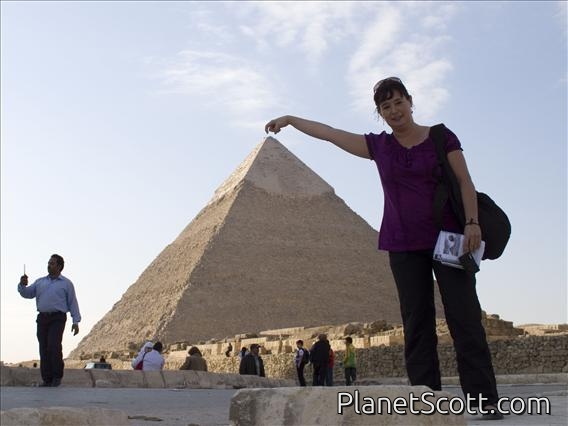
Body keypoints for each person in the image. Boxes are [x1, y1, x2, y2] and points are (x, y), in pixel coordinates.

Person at [265, 77, 503, 420]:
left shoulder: (441, 136)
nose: (394, 111)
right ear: (380, 113)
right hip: (403, 245)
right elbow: (330, 133)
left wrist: (472, 223)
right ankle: (426, 402)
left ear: (410, 101)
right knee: (416, 324)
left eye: (398, 102)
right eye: (385, 107)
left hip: (448, 240)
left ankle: (484, 401)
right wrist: (290, 119)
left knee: (464, 319)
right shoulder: (380, 147)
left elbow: (465, 181)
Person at [17, 254, 81, 387]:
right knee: (44, 348)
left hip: (57, 318)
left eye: (52, 263)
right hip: (42, 318)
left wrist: (76, 321)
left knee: (53, 345)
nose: (49, 265)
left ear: (59, 266)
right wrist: (22, 285)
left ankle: (57, 376)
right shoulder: (40, 282)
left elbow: (72, 302)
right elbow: (27, 294)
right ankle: (47, 379)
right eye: (48, 263)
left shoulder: (66, 284)